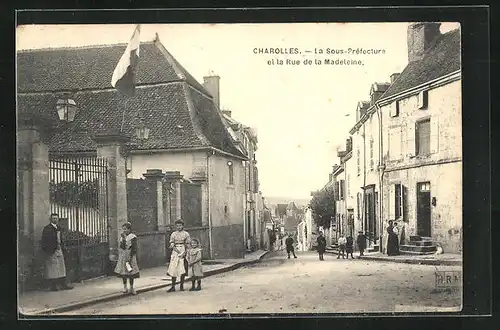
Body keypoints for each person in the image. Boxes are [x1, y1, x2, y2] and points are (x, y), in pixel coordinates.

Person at [41, 213, 73, 291]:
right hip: (52, 250)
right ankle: (53, 286)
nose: (55, 220)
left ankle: (63, 284)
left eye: (56, 218)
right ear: (50, 219)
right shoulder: (47, 228)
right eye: (53, 218)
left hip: (60, 249)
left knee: (61, 267)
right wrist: (49, 249)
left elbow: (62, 238)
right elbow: (45, 240)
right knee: (53, 268)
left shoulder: (59, 228)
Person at [114, 222, 140, 295]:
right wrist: (124, 239)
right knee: (124, 272)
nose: (124, 231)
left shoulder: (132, 236)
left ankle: (131, 287)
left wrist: (130, 257)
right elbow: (122, 247)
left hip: (130, 256)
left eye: (125, 229)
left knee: (131, 272)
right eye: (123, 229)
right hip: (123, 256)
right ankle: (125, 287)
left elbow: (134, 248)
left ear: (129, 229)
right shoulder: (123, 237)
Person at [167, 219, 191, 292]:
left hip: (183, 249)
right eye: (177, 226)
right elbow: (171, 243)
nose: (178, 227)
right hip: (175, 251)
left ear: (183, 226)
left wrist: (184, 253)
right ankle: (173, 286)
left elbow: (188, 244)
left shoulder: (186, 234)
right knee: (173, 268)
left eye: (180, 225)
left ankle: (181, 285)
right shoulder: (173, 234)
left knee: (182, 268)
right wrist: (175, 249)